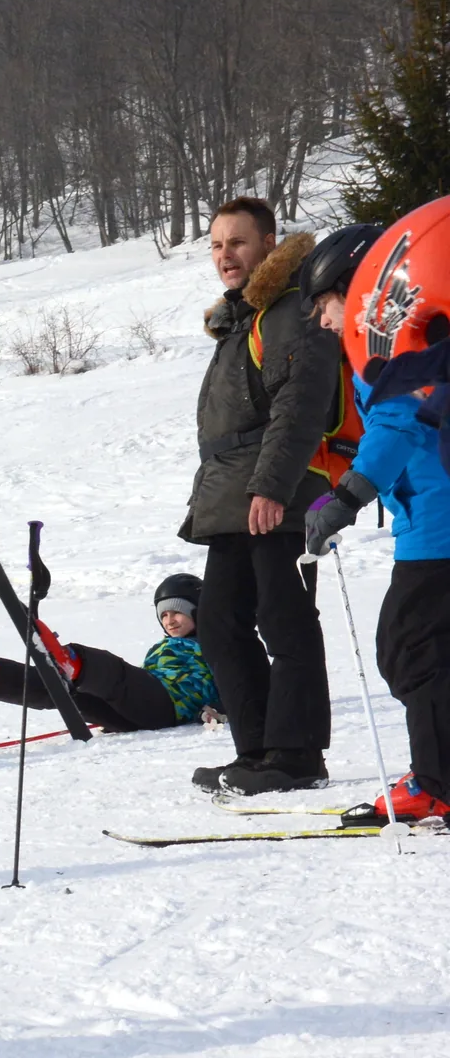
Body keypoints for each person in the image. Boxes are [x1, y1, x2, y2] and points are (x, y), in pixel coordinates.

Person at [182, 196, 341, 796]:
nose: (226, 255)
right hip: (231, 493)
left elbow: (300, 404)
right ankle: (257, 752)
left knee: (284, 619)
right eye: (217, 245)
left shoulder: (288, 310)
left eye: (238, 242)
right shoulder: (244, 316)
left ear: (269, 244)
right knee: (220, 624)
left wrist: (272, 487)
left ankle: (297, 754)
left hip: (277, 488)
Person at [299, 207, 450, 822]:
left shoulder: (391, 337)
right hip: (428, 517)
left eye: (323, 302)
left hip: (438, 523)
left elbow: (402, 420)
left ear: (358, 286)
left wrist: (349, 496)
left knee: (411, 646)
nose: (320, 318)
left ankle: (438, 782)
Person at [0, 573, 218, 732]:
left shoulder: (215, 646)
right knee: (64, 691)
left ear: (199, 611)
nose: (170, 620)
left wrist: (217, 709)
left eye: (178, 612)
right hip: (137, 715)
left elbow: (240, 682)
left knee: (117, 674)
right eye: (164, 614)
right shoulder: (162, 648)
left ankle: (71, 663)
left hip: (166, 706)